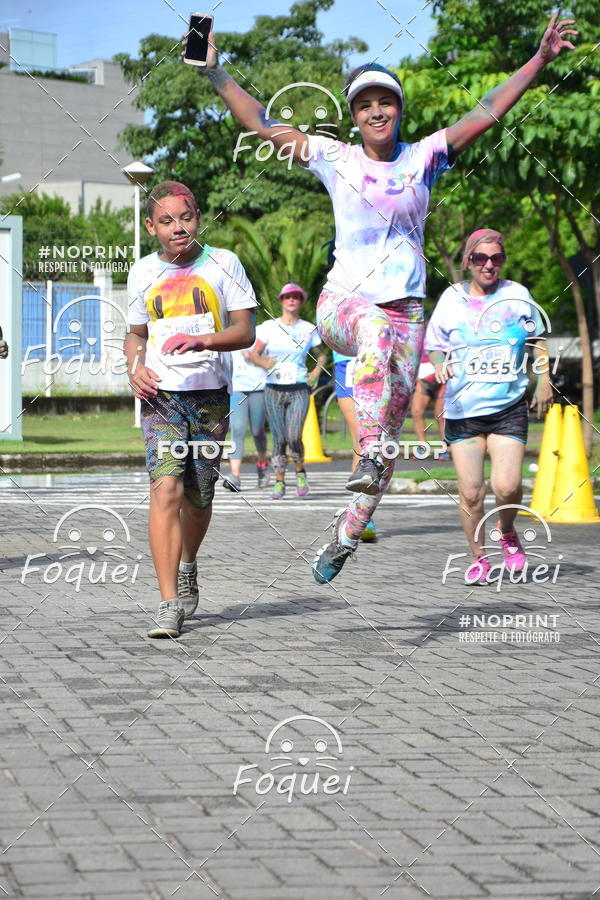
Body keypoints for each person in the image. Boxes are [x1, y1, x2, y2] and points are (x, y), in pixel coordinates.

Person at [193, 12, 577, 582]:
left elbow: (486, 111)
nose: (377, 111)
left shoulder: (423, 157)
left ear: (399, 110)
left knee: (387, 443)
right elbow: (262, 122)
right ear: (353, 116)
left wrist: (540, 60)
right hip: (345, 305)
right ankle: (368, 455)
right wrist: (216, 73)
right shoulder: (335, 158)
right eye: (365, 104)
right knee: (371, 353)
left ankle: (346, 533)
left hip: (408, 318)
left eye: (386, 102)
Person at [124, 180, 257, 638]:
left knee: (199, 499)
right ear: (151, 226)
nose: (178, 228)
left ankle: (188, 562)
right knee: (165, 490)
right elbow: (136, 334)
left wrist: (204, 339)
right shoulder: (142, 272)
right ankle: (167, 603)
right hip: (161, 397)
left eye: (185, 218)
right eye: (166, 221)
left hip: (210, 399)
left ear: (198, 217)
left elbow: (245, 332)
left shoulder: (224, 264)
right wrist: (133, 367)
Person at [425, 228, 553, 584]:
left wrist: (543, 379)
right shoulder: (451, 299)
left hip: (507, 405)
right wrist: (438, 363)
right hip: (463, 410)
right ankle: (479, 557)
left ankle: (508, 532)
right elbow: (435, 344)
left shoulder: (517, 295)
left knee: (507, 486)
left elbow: (538, 338)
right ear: (468, 260)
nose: (489, 264)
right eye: (480, 258)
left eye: (496, 258)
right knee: (470, 491)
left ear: (503, 261)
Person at [249, 283, 327, 498]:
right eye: (287, 297)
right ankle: (279, 480)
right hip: (274, 389)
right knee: (279, 437)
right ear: (281, 300)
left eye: (296, 297)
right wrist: (263, 362)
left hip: (299, 388)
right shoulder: (268, 327)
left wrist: (316, 372)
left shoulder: (308, 328)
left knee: (293, 435)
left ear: (301, 301)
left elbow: (321, 354)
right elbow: (254, 353)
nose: (291, 300)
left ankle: (300, 470)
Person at [332, 350, 376, 541]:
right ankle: (360, 515)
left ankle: (363, 512)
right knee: (360, 436)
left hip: (377, 358)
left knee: (376, 440)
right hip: (347, 362)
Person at [222, 345, 269, 492]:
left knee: (257, 431)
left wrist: (255, 357)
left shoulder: (261, 335)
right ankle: (235, 475)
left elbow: (272, 362)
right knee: (237, 429)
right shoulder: (232, 336)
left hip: (259, 387)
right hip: (237, 388)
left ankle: (262, 464)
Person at [410, 350, 448, 460]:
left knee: (440, 415)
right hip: (422, 374)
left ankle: (443, 449)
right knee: (417, 411)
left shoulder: (437, 333)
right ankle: (423, 447)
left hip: (441, 372)